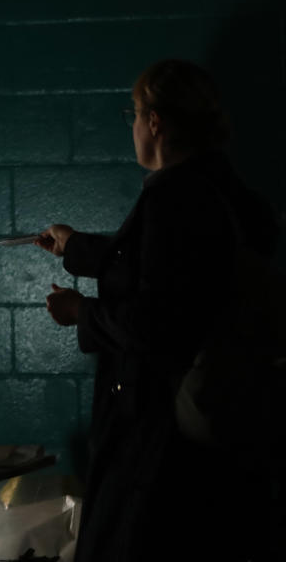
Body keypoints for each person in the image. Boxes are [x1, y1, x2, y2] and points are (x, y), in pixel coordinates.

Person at [35, 60, 280, 561]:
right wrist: (78, 248)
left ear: (154, 121)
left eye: (133, 112)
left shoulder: (174, 198)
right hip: (219, 428)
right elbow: (168, 273)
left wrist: (81, 310)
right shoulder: (227, 193)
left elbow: (152, 324)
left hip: (161, 437)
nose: (132, 126)